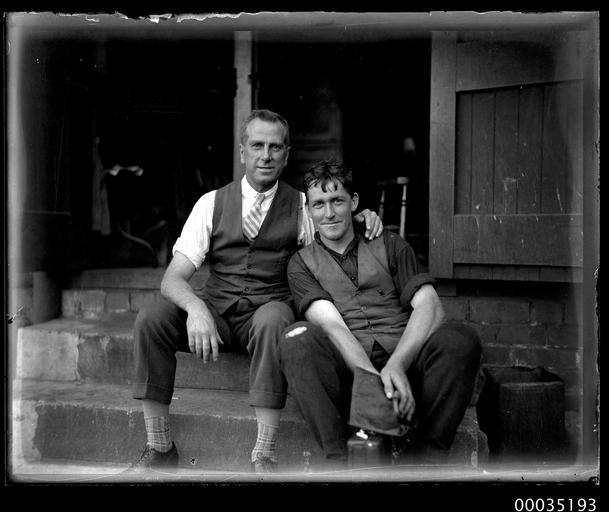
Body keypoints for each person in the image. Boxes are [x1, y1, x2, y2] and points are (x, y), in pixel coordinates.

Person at [128, 110, 382, 474]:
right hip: (216, 312)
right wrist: (197, 310)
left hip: (267, 313)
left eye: (275, 147)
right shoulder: (211, 203)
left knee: (275, 317)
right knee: (152, 317)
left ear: (287, 154)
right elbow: (172, 279)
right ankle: (159, 447)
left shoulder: (302, 206)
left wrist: (360, 218)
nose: (266, 155)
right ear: (242, 151)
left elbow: (333, 230)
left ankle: (264, 454)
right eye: (257, 145)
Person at [279, 160, 481, 467]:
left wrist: (397, 365)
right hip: (350, 376)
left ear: (354, 202)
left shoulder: (390, 243)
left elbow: (430, 307)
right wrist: (374, 381)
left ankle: (424, 461)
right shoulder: (301, 263)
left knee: (460, 338)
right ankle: (339, 462)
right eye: (319, 204)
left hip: (408, 366)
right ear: (308, 210)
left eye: (337, 201)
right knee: (296, 338)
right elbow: (332, 326)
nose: (329, 213)